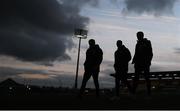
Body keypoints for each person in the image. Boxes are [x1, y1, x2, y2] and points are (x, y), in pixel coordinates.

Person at [132, 31, 153, 96]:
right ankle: (133, 93)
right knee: (136, 78)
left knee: (146, 77)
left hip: (145, 63)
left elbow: (150, 52)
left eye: (139, 35)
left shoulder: (147, 42)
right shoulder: (137, 44)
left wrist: (148, 61)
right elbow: (136, 53)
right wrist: (134, 60)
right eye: (137, 35)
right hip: (138, 63)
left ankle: (149, 93)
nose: (138, 37)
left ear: (142, 35)